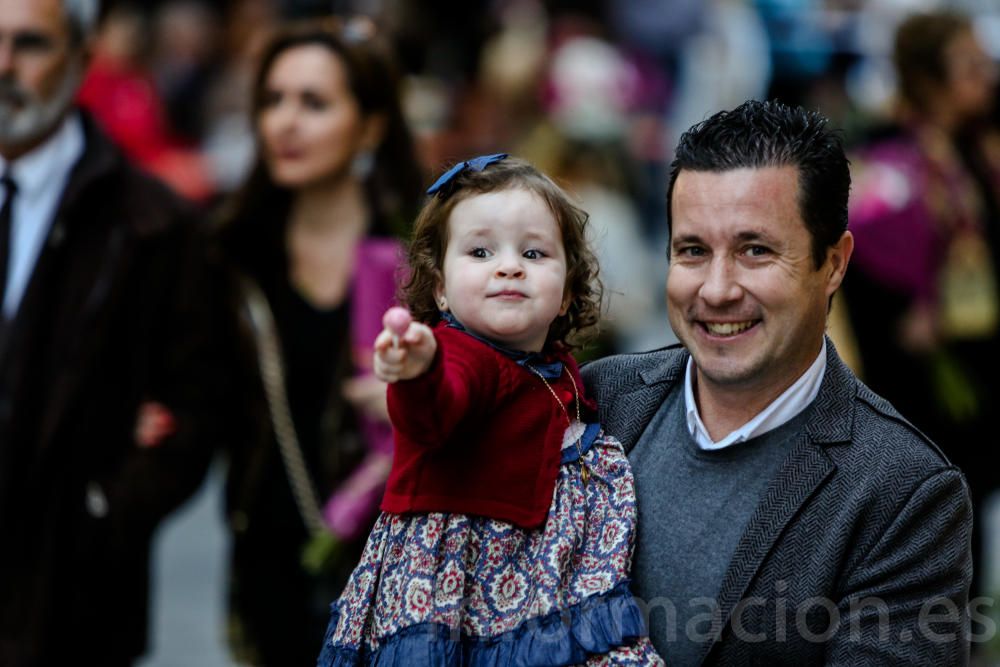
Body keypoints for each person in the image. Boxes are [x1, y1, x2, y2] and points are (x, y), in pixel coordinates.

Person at [582, 100, 973, 664]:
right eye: (692, 251)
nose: (717, 290)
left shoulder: (905, 492)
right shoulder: (601, 400)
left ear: (834, 264)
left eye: (755, 251)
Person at [317, 155, 663, 665]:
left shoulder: (557, 368)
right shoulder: (459, 353)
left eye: (534, 252)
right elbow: (437, 405)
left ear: (567, 291)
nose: (509, 265)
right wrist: (418, 368)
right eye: (480, 251)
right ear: (439, 287)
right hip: (462, 592)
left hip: (541, 579)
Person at [0, 0, 228, 665]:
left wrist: (104, 512)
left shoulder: (154, 224)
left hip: (73, 611)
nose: (5, 65)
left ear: (80, 57)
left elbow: (198, 404)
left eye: (30, 44)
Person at [214, 17, 423, 667]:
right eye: (272, 100)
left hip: (395, 560)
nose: (285, 122)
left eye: (314, 103)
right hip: (265, 553)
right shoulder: (230, 253)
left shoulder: (423, 257)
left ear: (370, 125)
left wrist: (428, 387)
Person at [844, 10, 1000, 603]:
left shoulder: (976, 150)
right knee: (935, 494)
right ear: (930, 79)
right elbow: (864, 250)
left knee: (976, 491)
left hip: (977, 348)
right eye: (969, 67)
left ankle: (968, 628)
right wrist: (911, 304)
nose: (985, 76)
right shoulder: (887, 156)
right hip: (919, 362)